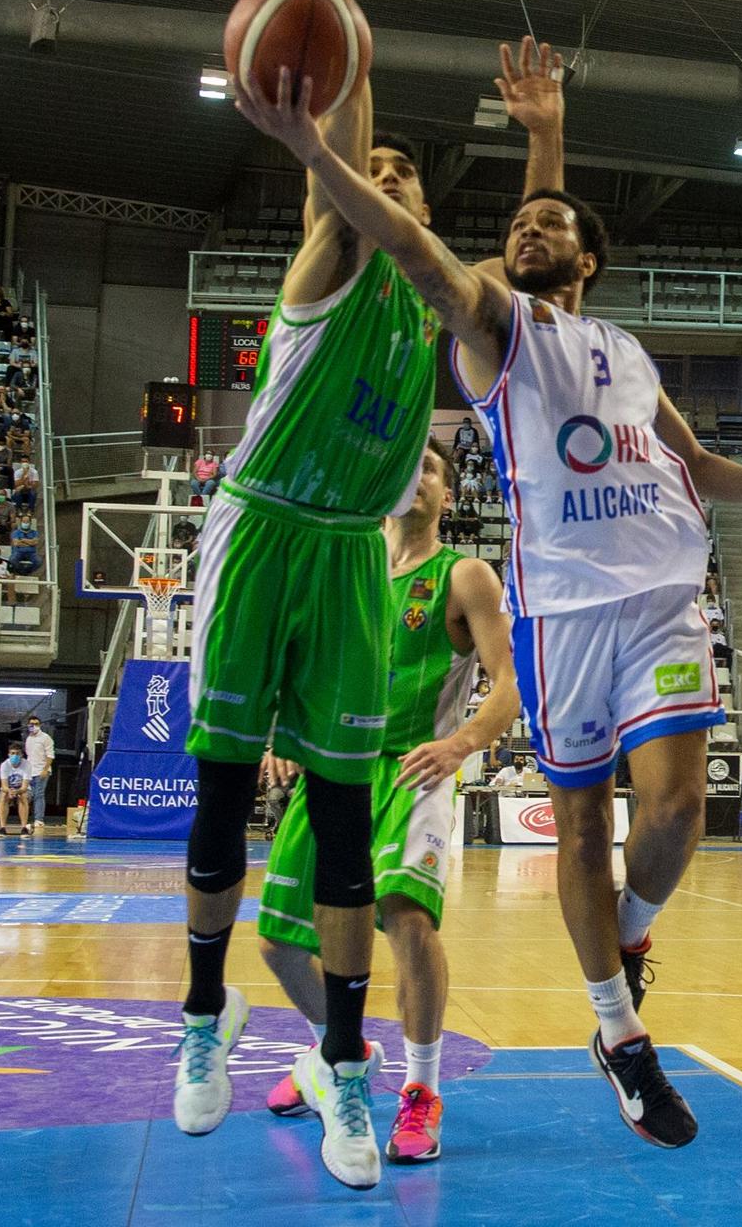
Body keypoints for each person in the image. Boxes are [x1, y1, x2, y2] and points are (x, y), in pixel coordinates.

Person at [235, 5, 742, 1153]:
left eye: (551, 226)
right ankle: (617, 1033)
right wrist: (316, 153)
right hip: (562, 611)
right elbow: (416, 252)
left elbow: (700, 467)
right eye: (517, 225)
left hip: (661, 596)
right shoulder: (494, 332)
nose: (527, 232)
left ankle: (626, 939)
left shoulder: (627, 355)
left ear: (589, 257)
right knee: (581, 829)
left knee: (679, 810)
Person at [167, 0, 511, 1187]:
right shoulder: (329, 256)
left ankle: (352, 1076)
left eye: (400, 172)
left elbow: (365, 106)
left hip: (352, 554)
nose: (382, 174)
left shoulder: (427, 305)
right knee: (216, 793)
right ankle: (203, 1027)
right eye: (367, 166)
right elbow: (347, 49)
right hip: (264, 531)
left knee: (344, 814)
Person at [255, 439, 521, 1165]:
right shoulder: (349, 568)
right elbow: (311, 663)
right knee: (279, 943)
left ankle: (421, 1091)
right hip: (333, 766)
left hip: (415, 769)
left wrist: (460, 746)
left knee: (405, 919)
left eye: (429, 469)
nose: (414, 478)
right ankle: (336, 1051)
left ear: (447, 495)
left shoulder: (463, 575)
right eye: (404, 468)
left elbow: (509, 685)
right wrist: (287, 728)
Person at [22, 715, 54, 830]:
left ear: (39, 725)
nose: (33, 726)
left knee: (39, 795)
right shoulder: (28, 738)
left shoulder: (46, 738)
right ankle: (26, 819)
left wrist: (45, 770)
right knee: (28, 795)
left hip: (41, 771)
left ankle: (39, 819)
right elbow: (28, 755)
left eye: (36, 724)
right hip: (30, 771)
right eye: (31, 724)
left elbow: (50, 755)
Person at [0, 741, 30, 836]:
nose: (15, 755)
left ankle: (24, 828)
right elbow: (4, 785)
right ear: (9, 754)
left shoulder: (27, 765)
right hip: (8, 789)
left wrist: (18, 791)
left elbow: (25, 786)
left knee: (23, 796)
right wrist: (9, 791)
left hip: (22, 789)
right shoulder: (4, 765)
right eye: (12, 753)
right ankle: (2, 828)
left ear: (22, 755)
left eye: (17, 753)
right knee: (3, 796)